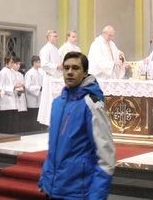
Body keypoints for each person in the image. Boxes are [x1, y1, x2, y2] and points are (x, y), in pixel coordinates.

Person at [38, 52, 115, 200]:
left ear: (85, 72)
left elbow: (106, 157)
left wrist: (96, 197)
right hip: (53, 189)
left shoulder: (92, 105)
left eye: (75, 68)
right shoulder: (57, 103)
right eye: (66, 68)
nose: (70, 72)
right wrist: (45, 179)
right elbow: (54, 148)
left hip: (78, 192)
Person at [38, 29, 63, 126]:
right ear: (48, 37)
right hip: (49, 77)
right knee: (49, 99)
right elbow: (44, 65)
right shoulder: (45, 49)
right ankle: (49, 121)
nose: (56, 38)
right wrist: (57, 66)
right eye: (54, 36)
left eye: (57, 36)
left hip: (57, 77)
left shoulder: (56, 49)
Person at [0, 55, 26, 134]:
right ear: (7, 62)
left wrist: (19, 89)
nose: (13, 64)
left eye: (13, 62)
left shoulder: (12, 72)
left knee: (14, 122)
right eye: (11, 62)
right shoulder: (2, 73)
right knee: (6, 123)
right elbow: (1, 86)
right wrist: (13, 87)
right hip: (6, 101)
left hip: (14, 99)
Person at [24, 55, 43, 132]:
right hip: (32, 97)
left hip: (39, 96)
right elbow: (28, 86)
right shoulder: (30, 73)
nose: (40, 63)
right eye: (38, 62)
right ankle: (32, 130)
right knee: (32, 115)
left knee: (38, 114)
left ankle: (38, 129)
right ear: (34, 63)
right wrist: (38, 88)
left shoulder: (40, 72)